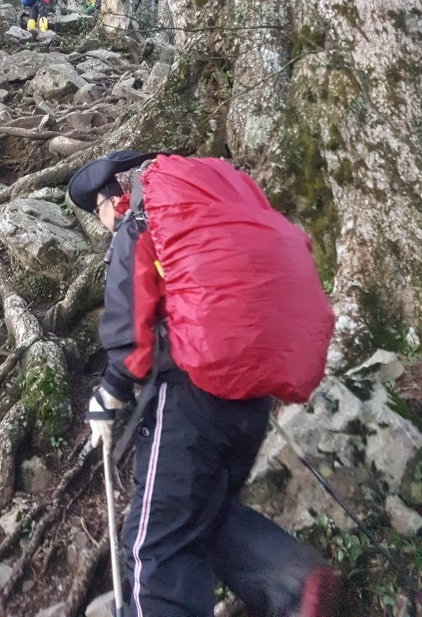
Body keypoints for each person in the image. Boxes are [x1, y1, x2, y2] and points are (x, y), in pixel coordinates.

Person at [67, 150, 340, 617]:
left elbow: (129, 316)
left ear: (113, 195)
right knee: (197, 515)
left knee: (152, 545)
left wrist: (109, 394)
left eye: (98, 211)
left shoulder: (140, 219)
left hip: (192, 397)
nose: (103, 222)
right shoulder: (211, 203)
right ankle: (292, 581)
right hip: (253, 399)